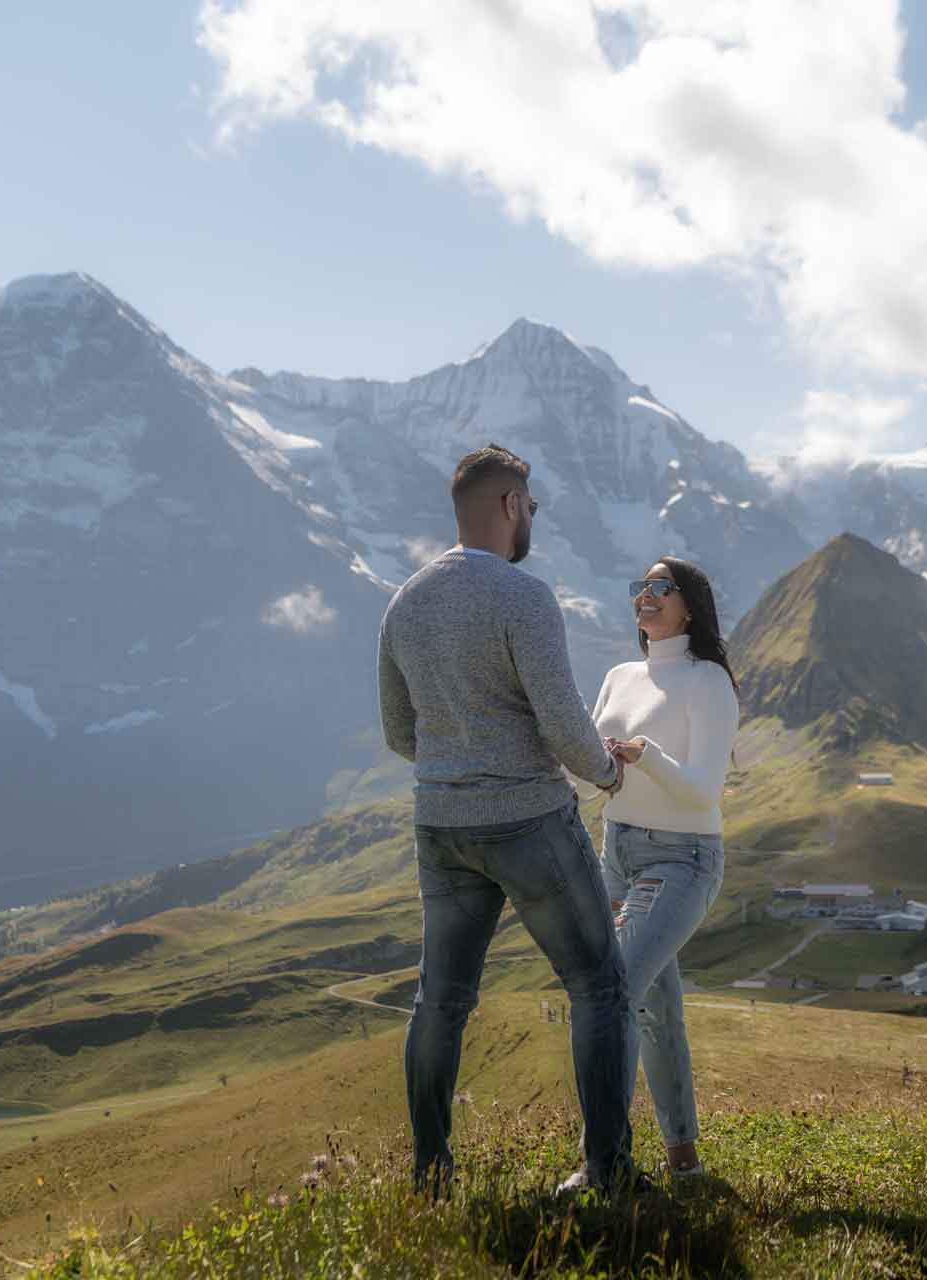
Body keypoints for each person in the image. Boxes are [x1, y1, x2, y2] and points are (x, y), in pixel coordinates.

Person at [377, 443, 638, 1195]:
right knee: (598, 986)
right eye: (532, 507)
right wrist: (609, 771)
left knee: (441, 1001)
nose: (532, 519)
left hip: (441, 824)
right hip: (528, 819)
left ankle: (431, 1175)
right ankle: (607, 1173)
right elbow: (561, 722)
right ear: (511, 506)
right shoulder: (524, 598)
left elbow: (400, 733)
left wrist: (456, 753)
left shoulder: (406, 603)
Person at [585, 556, 740, 1181]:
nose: (644, 597)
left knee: (614, 992)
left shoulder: (709, 682)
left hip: (682, 858)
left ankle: (604, 1164)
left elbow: (703, 791)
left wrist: (645, 756)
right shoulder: (620, 675)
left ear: (689, 606)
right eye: (639, 588)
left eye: (660, 587)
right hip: (615, 852)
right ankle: (685, 1162)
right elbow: (585, 769)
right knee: (653, 1008)